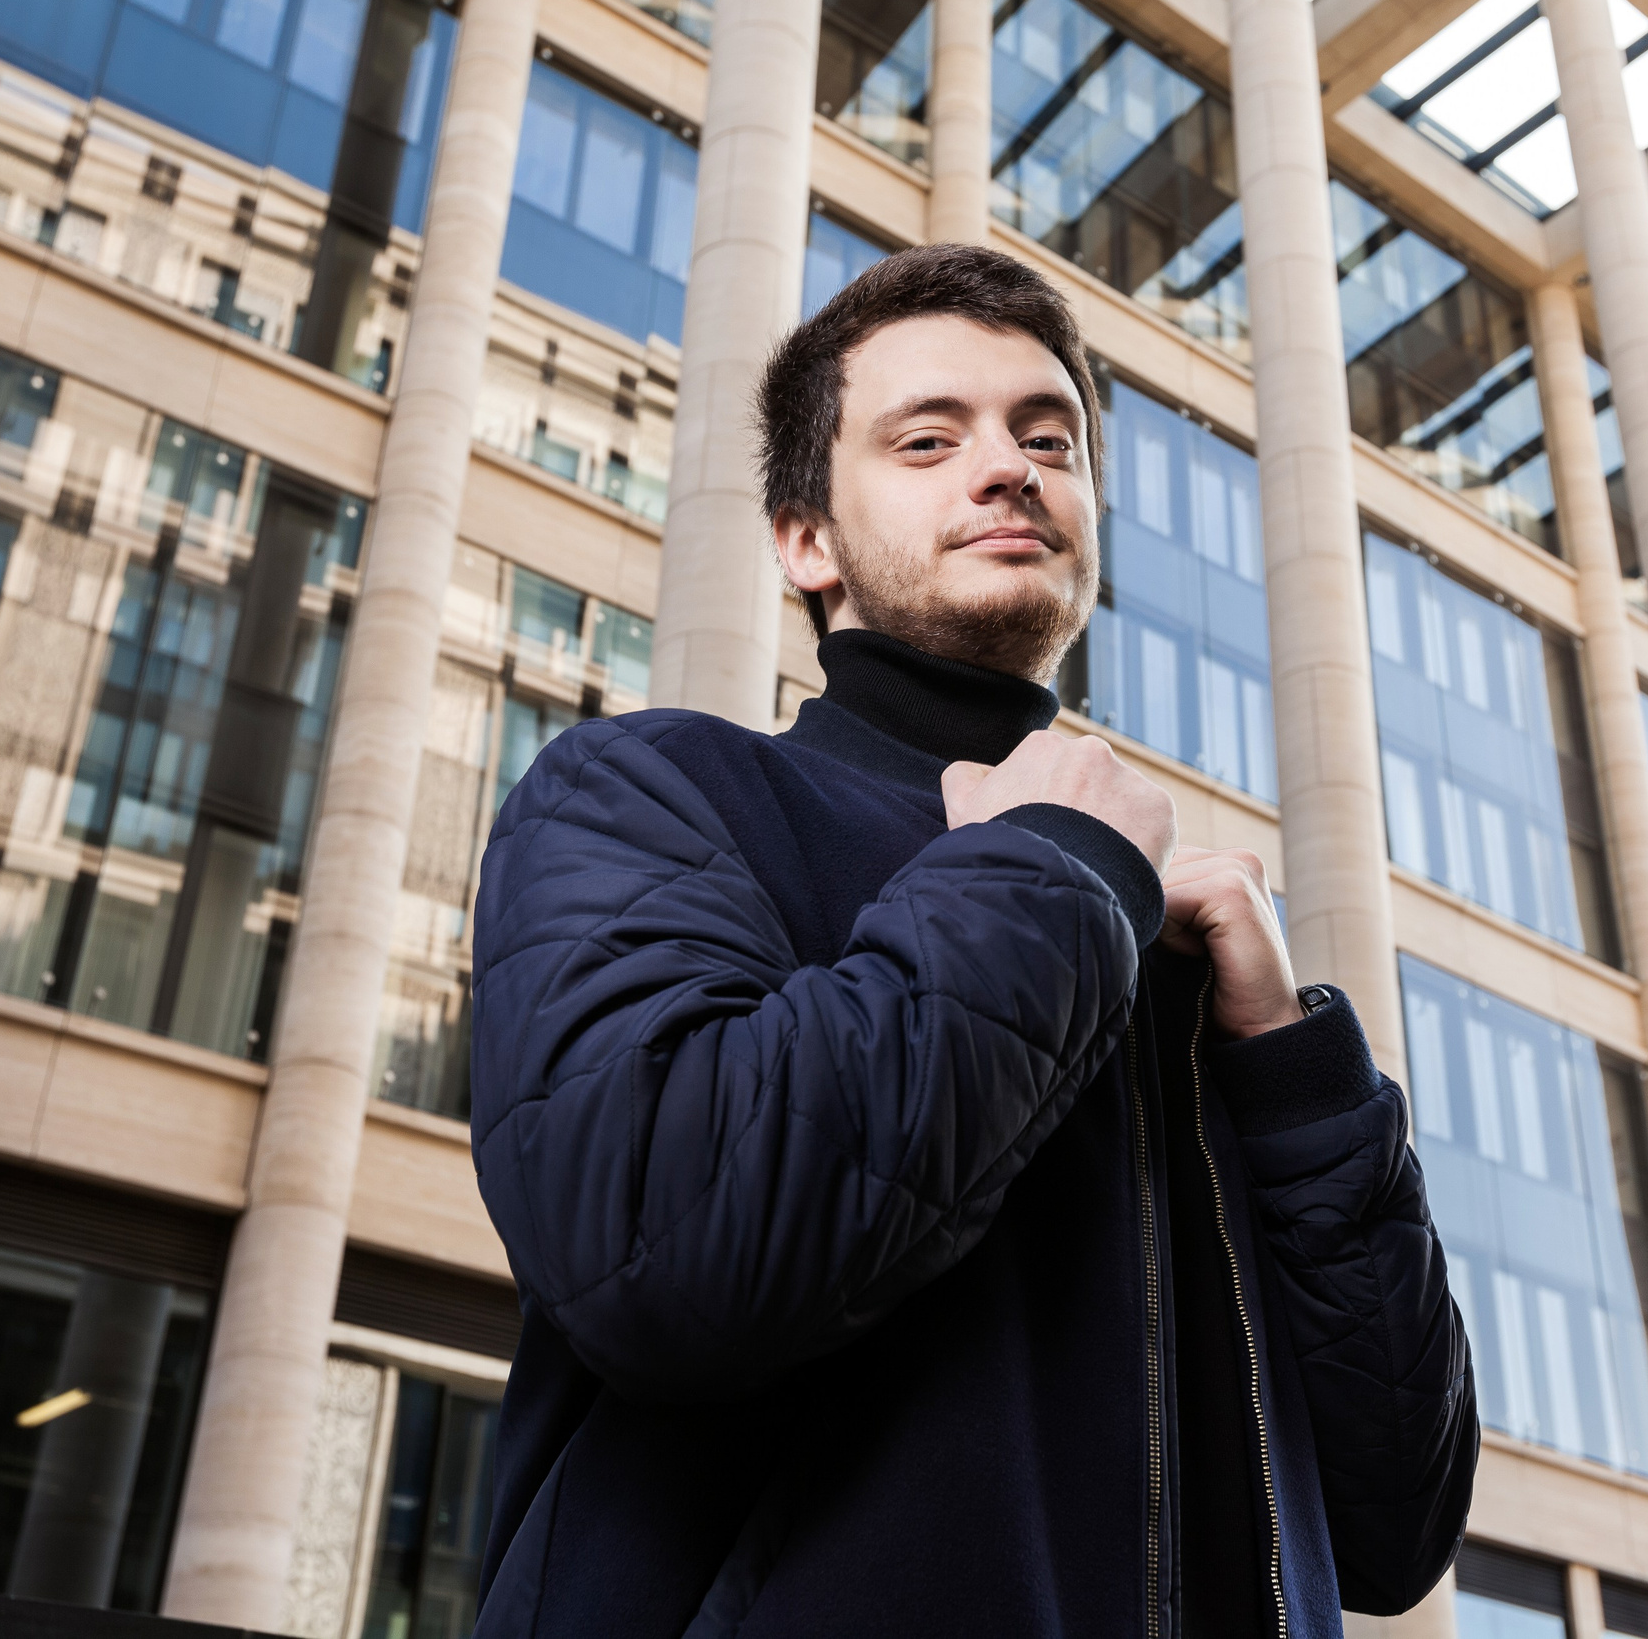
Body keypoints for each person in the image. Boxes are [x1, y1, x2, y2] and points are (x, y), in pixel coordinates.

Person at [467, 243, 1476, 1639]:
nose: (1009, 471)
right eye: (929, 439)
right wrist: (1056, 874)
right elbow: (663, 1251)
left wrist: (1296, 1078)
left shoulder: (1178, 947)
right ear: (805, 539)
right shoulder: (654, 793)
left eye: (1046, 438)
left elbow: (1393, 1531)